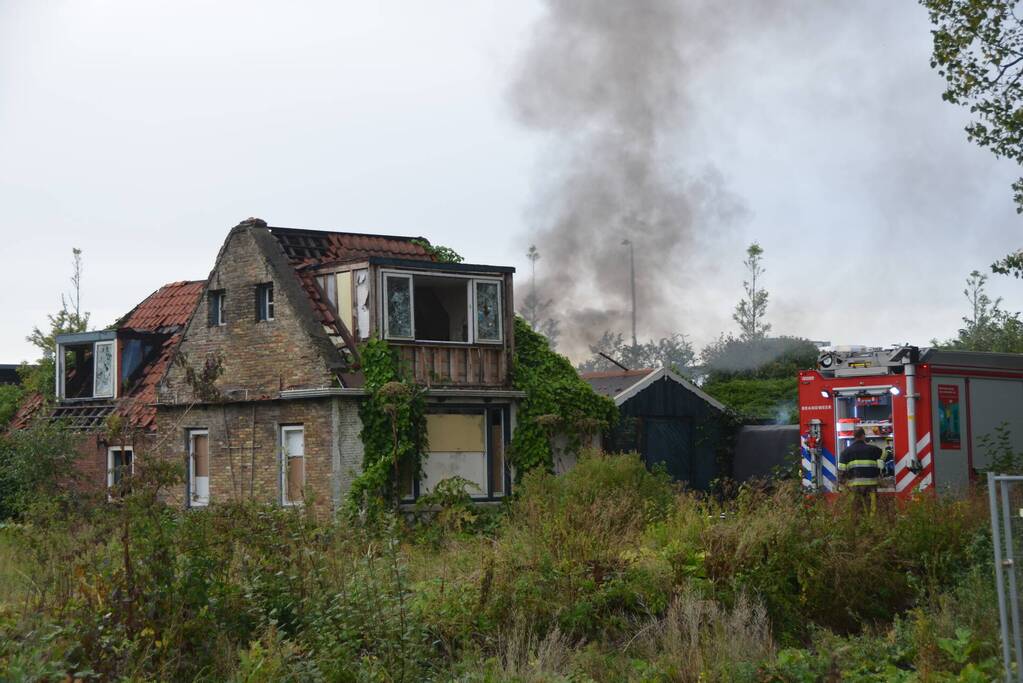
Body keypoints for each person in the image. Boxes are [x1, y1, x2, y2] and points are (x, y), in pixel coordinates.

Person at [838, 427, 884, 511]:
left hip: (854, 487)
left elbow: (841, 472)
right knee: (872, 509)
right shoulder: (874, 450)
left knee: (856, 510)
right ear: (863, 436)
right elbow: (884, 457)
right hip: (870, 486)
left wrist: (842, 486)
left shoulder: (845, 452)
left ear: (854, 436)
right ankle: (872, 523)